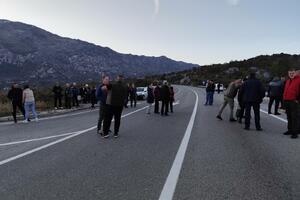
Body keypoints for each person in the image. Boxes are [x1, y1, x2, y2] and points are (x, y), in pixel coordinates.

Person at [283, 68, 300, 139]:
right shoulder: (288, 81)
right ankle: (290, 130)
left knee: (295, 118)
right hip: (287, 101)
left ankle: (295, 133)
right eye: (290, 73)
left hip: (294, 101)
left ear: (295, 73)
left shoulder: (299, 80)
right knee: (289, 117)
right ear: (288, 74)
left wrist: (297, 99)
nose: (291, 74)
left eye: (292, 73)